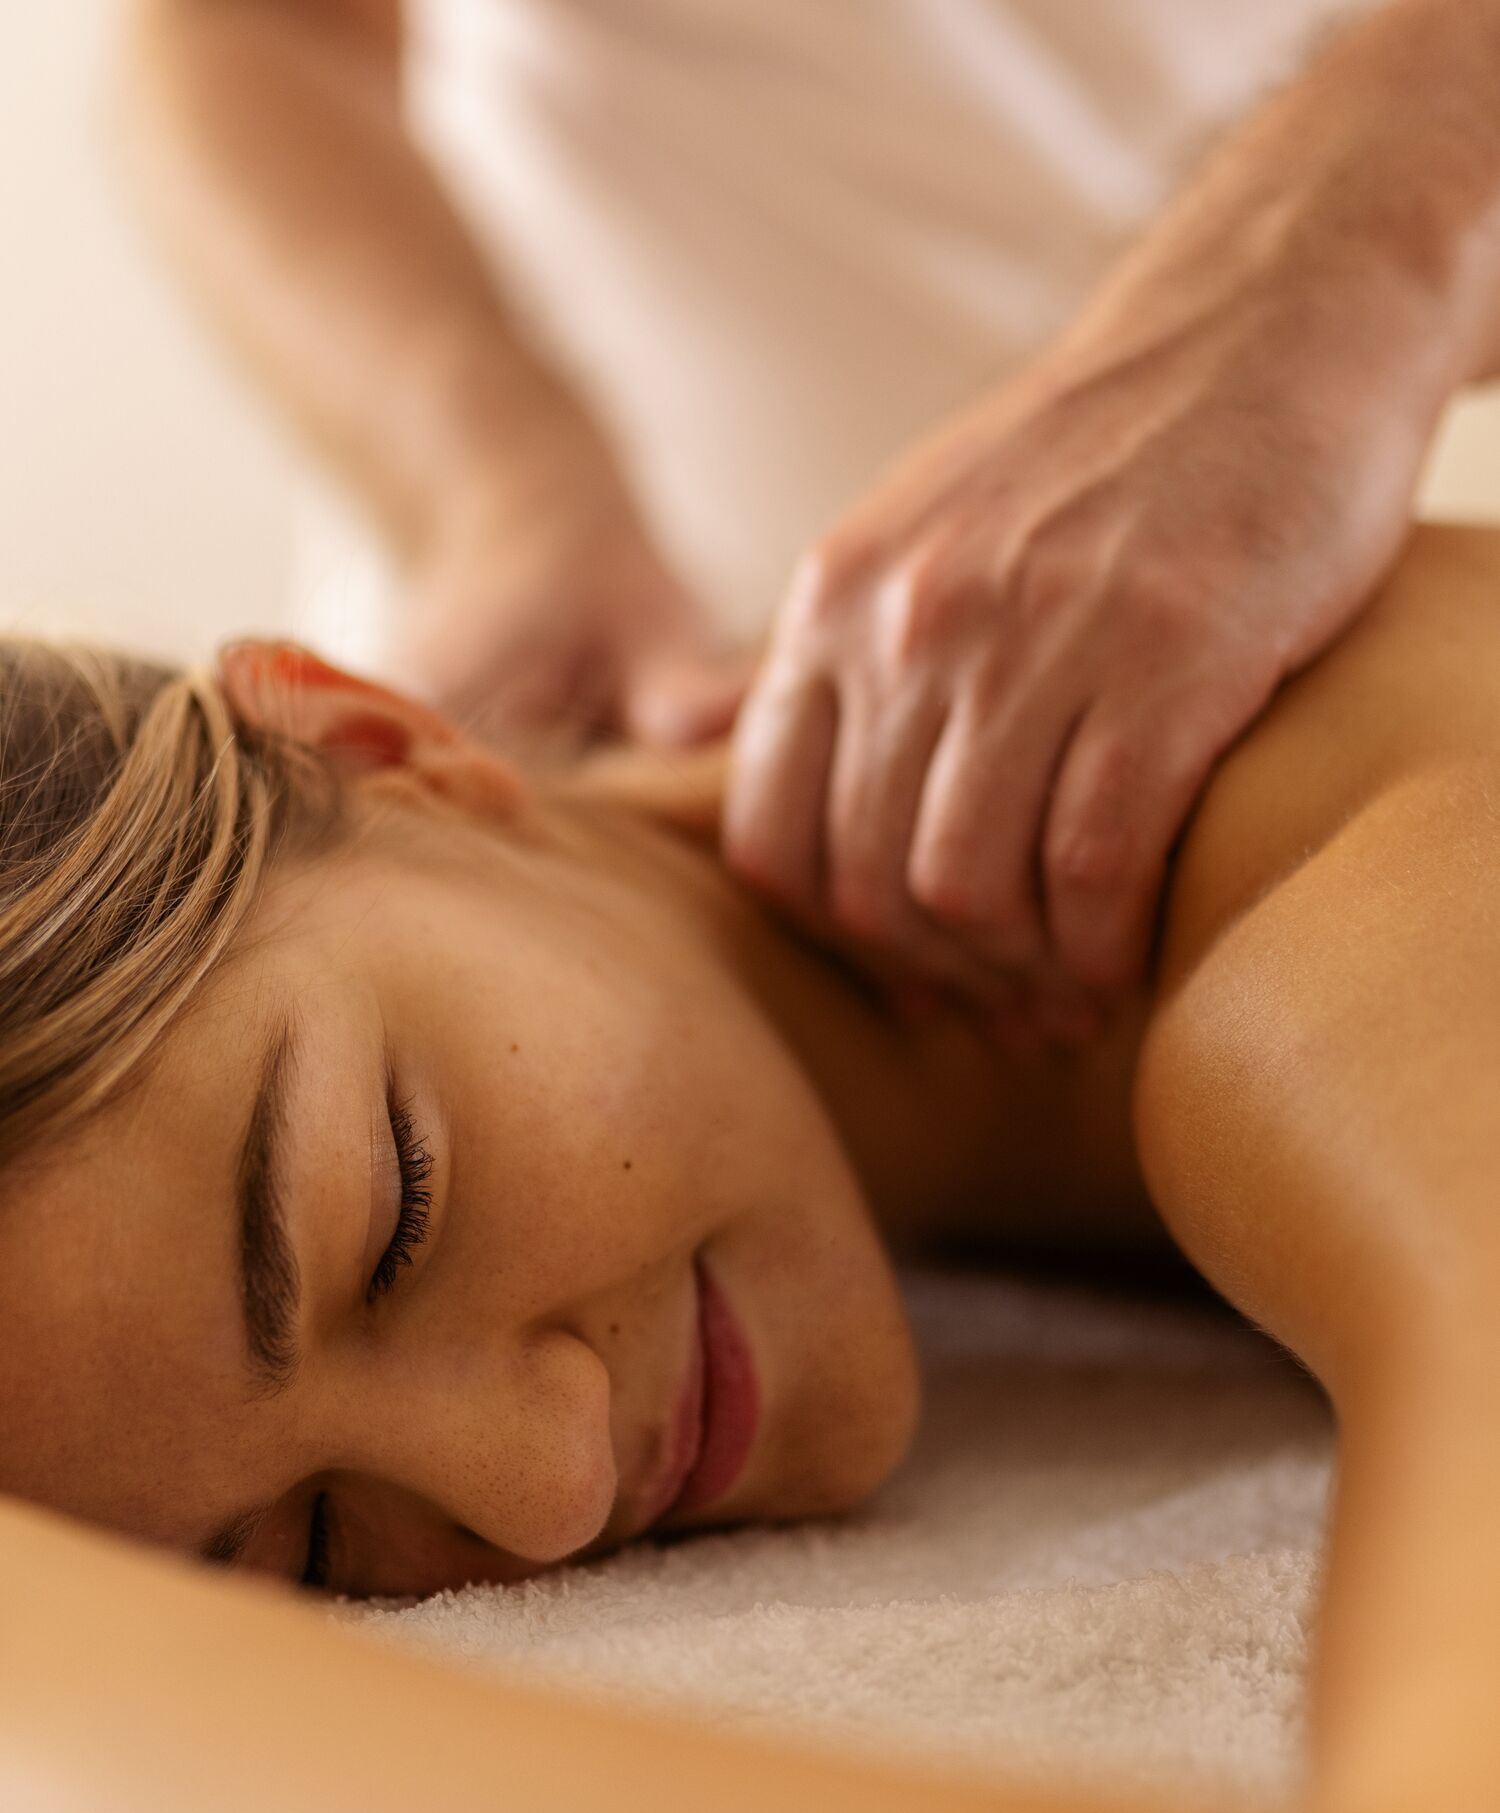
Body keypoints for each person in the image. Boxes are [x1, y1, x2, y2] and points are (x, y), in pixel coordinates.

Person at [5, 519, 1500, 1813]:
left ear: (377, 746)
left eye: (397, 1212)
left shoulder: (1357, 933)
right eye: (314, 1547)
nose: (551, 1486)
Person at [119, 0, 1500, 1052]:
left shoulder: (1378, 888)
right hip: (569, 694)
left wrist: (1363, 241)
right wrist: (497, 485)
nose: (545, 1445)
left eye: (403, 1211)